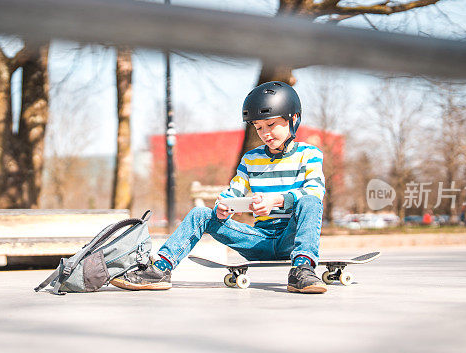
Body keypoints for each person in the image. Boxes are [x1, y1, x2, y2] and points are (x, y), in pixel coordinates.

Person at [112, 81, 327, 294]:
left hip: (292, 239)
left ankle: (303, 269)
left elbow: (315, 191)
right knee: (201, 213)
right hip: (258, 239)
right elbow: (233, 192)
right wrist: (223, 208)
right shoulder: (251, 159)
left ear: (293, 118)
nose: (265, 133)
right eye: (258, 127)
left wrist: (276, 200)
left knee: (310, 201)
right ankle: (159, 270)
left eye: (270, 125)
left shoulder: (310, 154)